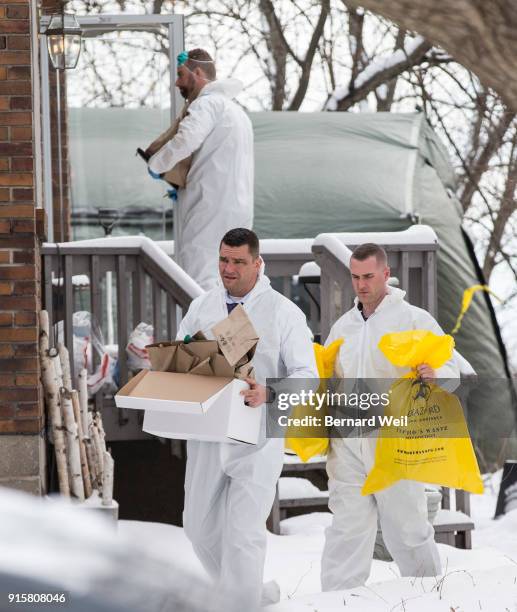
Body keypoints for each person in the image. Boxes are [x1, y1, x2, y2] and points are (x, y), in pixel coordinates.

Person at [177, 228, 318, 610]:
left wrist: (269, 392)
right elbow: (182, 357)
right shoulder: (202, 306)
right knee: (198, 528)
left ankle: (241, 606)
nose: (228, 268)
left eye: (238, 261)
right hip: (209, 430)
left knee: (242, 534)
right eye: (224, 259)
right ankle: (248, 595)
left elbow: (308, 375)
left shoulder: (283, 312)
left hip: (259, 434)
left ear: (258, 263)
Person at [320, 242, 459, 591]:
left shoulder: (413, 319)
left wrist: (437, 374)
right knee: (346, 527)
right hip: (348, 439)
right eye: (355, 277)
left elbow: (451, 367)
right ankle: (339, 601)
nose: (361, 284)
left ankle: (429, 596)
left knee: (407, 527)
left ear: (386, 274)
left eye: (368, 276)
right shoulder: (344, 326)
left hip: (395, 438)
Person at [147, 49, 254, 290]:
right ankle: (227, 329)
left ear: (197, 72)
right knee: (229, 281)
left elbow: (186, 139)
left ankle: (203, 329)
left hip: (209, 205)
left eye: (180, 74)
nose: (177, 82)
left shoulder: (207, 104)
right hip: (236, 209)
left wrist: (157, 164)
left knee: (198, 279)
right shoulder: (236, 112)